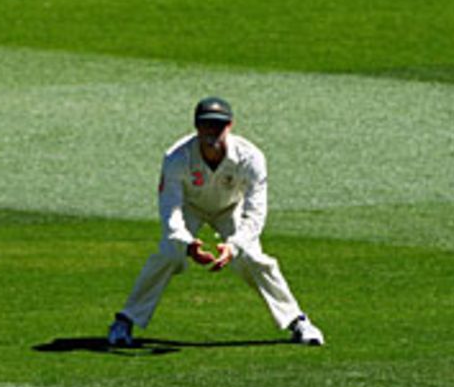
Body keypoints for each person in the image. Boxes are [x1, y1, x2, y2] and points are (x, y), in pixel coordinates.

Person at [106, 97, 324, 347]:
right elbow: (171, 210)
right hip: (191, 207)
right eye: (206, 125)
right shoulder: (176, 157)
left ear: (230, 125)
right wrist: (187, 243)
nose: (212, 132)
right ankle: (125, 321)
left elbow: (255, 213)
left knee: (251, 258)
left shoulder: (250, 158)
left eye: (218, 125)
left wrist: (234, 245)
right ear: (197, 126)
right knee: (169, 254)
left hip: (230, 208)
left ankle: (298, 321)